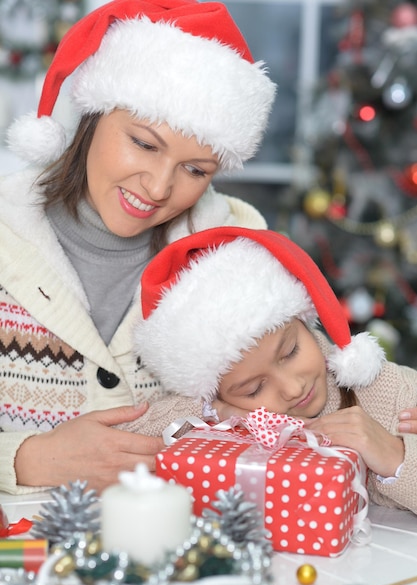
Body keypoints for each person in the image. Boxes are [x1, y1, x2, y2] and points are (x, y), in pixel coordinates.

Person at [0, 0, 276, 495]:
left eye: (196, 170)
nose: (157, 187)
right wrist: (28, 458)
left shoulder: (237, 249)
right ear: (93, 115)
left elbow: (295, 399)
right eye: (145, 144)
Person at [134, 226, 417, 515]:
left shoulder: (388, 391)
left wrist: (397, 457)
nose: (293, 389)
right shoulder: (217, 412)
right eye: (254, 389)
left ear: (303, 323)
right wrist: (215, 412)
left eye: (290, 351)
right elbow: (123, 436)